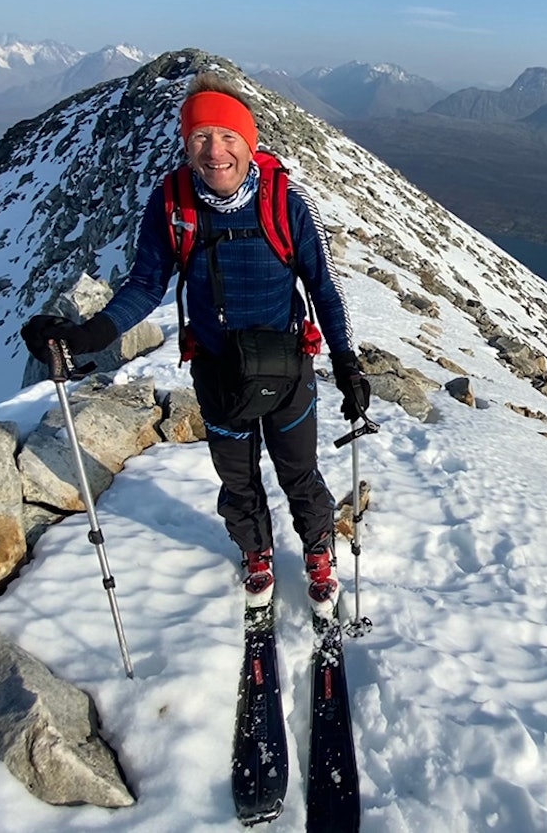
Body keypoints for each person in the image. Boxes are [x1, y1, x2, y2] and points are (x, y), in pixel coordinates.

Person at [21, 72, 370, 615]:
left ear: (248, 142)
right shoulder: (172, 205)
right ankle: (257, 551)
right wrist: (90, 334)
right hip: (217, 369)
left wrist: (347, 365)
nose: (215, 150)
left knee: (298, 472)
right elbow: (143, 285)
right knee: (237, 476)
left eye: (227, 136)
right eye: (201, 137)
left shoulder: (286, 203)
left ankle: (317, 549)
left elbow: (324, 287)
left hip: (287, 371)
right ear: (187, 147)